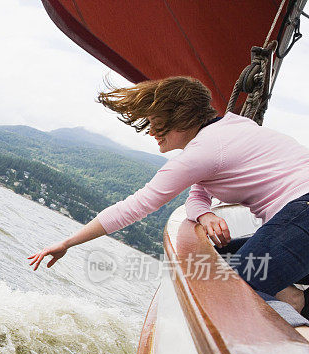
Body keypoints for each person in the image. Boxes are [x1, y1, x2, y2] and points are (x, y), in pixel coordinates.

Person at [28, 76, 309, 316]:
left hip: (303, 211)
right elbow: (199, 192)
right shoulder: (229, 129)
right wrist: (204, 213)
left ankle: (294, 326)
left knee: (235, 287)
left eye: (157, 122)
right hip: (301, 215)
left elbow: (135, 206)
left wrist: (67, 242)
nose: (151, 131)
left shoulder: (202, 152)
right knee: (218, 259)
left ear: (181, 119)